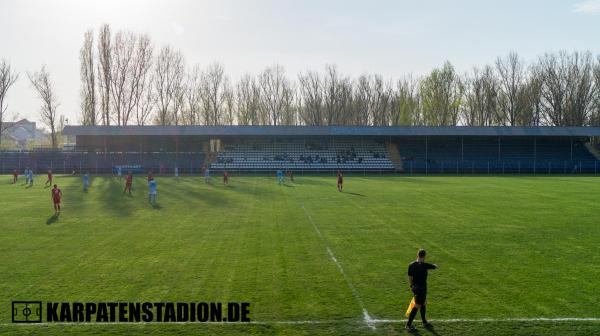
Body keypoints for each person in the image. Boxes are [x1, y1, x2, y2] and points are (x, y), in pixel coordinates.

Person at [405, 249, 438, 331]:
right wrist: (435, 265)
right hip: (422, 289)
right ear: (424, 256)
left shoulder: (411, 265)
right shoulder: (425, 265)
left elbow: (409, 277)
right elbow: (435, 266)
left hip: (415, 287)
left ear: (417, 255)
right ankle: (408, 325)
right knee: (417, 305)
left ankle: (424, 321)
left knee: (423, 303)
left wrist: (411, 286)